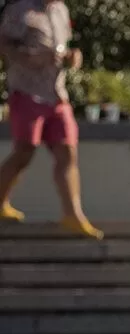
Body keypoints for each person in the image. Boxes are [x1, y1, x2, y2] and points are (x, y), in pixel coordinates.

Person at [0, 0, 101, 237]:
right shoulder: (20, 10)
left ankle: (73, 214)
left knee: (67, 152)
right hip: (27, 91)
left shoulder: (60, 10)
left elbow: (63, 45)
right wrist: (32, 56)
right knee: (25, 150)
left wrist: (73, 57)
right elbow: (4, 44)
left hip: (57, 94)